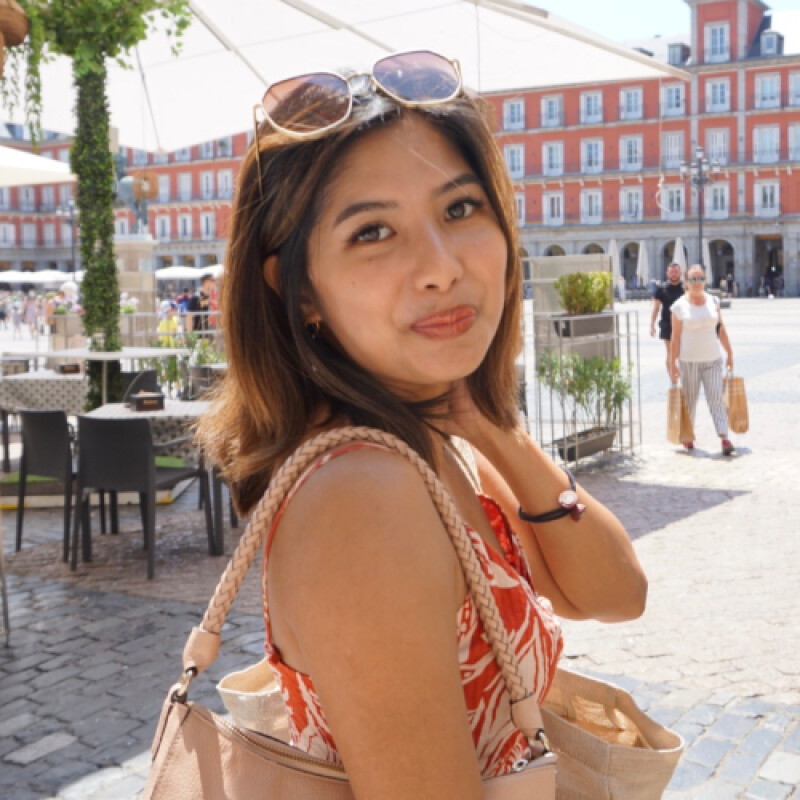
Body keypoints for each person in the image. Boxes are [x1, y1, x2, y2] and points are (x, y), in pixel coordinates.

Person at [197, 51, 647, 799]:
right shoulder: (364, 496)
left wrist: (491, 424)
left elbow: (616, 592)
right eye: (373, 231)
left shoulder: (438, 440)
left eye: (459, 209)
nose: (441, 266)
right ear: (300, 291)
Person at [670, 264, 735, 456]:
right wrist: (672, 363)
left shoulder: (713, 301)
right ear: (686, 282)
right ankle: (688, 435)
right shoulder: (679, 306)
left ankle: (724, 437)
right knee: (689, 400)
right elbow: (675, 338)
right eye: (693, 279)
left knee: (716, 397)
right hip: (688, 361)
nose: (697, 282)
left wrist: (730, 353)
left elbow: (720, 329)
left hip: (713, 359)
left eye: (700, 278)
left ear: (705, 281)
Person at [650, 262, 684, 377]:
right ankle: (672, 379)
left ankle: (683, 378)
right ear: (667, 273)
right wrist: (652, 324)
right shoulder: (661, 289)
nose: (674, 274)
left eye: (676, 272)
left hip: (683, 324)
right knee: (671, 353)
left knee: (683, 353)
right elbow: (656, 308)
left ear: (680, 273)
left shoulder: (685, 288)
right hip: (667, 325)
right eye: (671, 272)